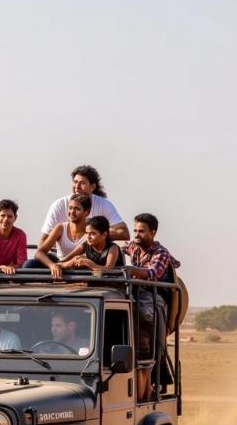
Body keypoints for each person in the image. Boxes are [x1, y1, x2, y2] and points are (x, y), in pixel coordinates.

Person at [124, 213, 181, 400]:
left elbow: (153, 273)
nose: (137, 235)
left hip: (155, 297)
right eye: (135, 231)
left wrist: (131, 271)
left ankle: (146, 344)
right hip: (138, 292)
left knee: (144, 315)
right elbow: (118, 248)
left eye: (141, 231)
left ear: (153, 233)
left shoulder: (160, 253)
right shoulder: (134, 247)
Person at [39, 165, 130, 253]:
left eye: (82, 183)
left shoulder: (104, 205)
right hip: (61, 261)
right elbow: (43, 241)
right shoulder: (59, 205)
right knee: (30, 264)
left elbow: (124, 233)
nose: (77, 186)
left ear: (92, 187)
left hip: (91, 262)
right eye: (75, 182)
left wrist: (93, 232)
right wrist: (51, 264)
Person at [31, 193, 92, 271]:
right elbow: (39, 253)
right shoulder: (61, 228)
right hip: (60, 264)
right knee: (29, 264)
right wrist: (52, 266)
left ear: (87, 212)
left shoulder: (91, 230)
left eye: (77, 209)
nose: (72, 212)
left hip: (82, 268)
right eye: (70, 208)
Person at [53, 216, 124, 276]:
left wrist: (89, 263)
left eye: (93, 234)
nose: (88, 237)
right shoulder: (85, 245)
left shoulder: (113, 248)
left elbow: (109, 269)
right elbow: (64, 261)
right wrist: (74, 261)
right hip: (95, 285)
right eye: (87, 233)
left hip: (115, 286)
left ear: (104, 235)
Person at [0, 199, 28, 274]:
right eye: (2, 215)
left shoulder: (20, 235)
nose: (5, 219)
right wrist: (1, 268)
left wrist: (9, 268)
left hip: (10, 274)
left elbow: (21, 263)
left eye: (9, 216)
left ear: (15, 217)